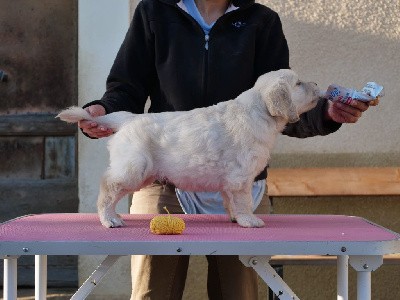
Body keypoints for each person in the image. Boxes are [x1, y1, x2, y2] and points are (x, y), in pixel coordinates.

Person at [79, 0, 372, 299]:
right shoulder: (154, 11)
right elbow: (126, 89)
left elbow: (281, 105)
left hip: (242, 187)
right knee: (153, 293)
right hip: (164, 182)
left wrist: (325, 114)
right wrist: (106, 110)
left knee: (238, 293)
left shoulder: (262, 21)